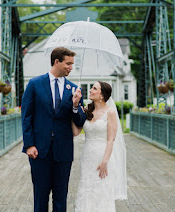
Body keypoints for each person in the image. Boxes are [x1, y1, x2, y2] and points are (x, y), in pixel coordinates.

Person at [21, 47, 86, 212]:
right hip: (39, 150)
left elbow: (80, 121)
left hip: (63, 151)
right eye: (68, 63)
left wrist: (76, 105)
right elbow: (26, 116)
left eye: (72, 64)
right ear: (56, 62)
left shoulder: (74, 89)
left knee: (61, 198)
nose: (71, 67)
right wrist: (29, 145)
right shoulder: (35, 84)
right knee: (40, 197)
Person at [72, 81, 127, 212]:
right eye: (91, 88)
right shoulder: (86, 110)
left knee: (102, 193)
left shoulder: (110, 113)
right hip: (87, 157)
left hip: (103, 157)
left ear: (102, 95)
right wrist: (72, 111)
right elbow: (76, 132)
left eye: (94, 88)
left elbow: (111, 139)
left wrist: (105, 161)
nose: (90, 90)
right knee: (86, 190)